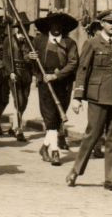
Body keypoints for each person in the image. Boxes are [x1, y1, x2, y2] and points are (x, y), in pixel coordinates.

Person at [66, 10, 112, 193]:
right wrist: (77, 97)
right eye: (110, 22)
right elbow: (82, 70)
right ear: (102, 24)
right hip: (97, 97)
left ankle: (111, 179)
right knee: (92, 136)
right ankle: (75, 171)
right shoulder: (92, 43)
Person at [27, 10, 79, 166]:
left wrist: (57, 76)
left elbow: (73, 63)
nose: (56, 27)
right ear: (49, 25)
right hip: (45, 84)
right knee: (50, 116)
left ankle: (44, 147)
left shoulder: (69, 43)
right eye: (53, 24)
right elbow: (27, 58)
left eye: (59, 24)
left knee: (58, 117)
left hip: (63, 84)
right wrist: (30, 57)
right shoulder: (39, 41)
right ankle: (55, 151)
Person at [6, 12, 34, 143]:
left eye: (27, 27)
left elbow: (34, 57)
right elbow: (6, 58)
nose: (25, 30)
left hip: (27, 74)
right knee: (19, 100)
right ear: (17, 28)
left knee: (25, 100)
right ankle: (19, 129)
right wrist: (10, 72)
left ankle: (13, 126)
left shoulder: (31, 41)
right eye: (22, 27)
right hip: (15, 73)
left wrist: (32, 58)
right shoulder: (9, 39)